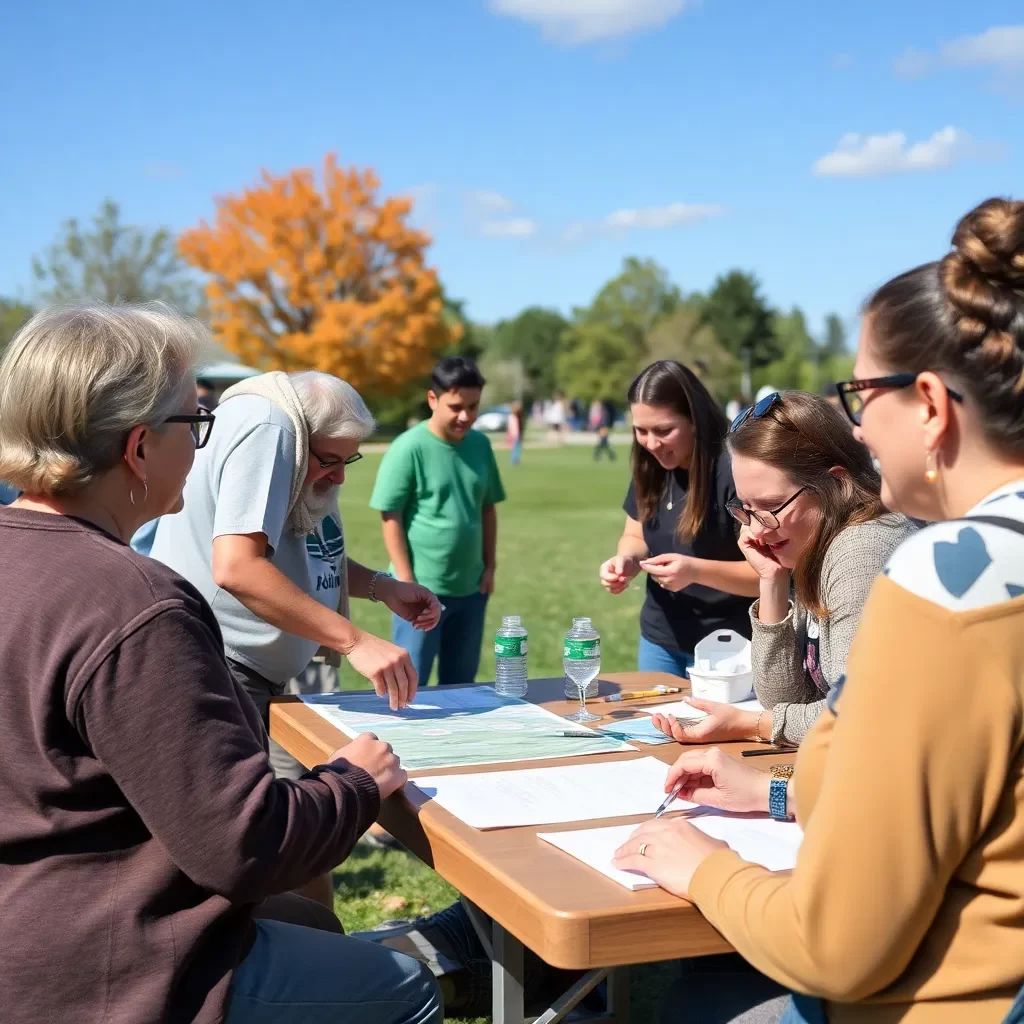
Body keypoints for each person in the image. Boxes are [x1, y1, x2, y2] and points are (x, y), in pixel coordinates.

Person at [614, 197, 1024, 1023]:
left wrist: (698, 865)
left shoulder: (946, 584)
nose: (859, 429)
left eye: (863, 394)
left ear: (933, 406)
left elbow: (836, 944)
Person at [0, 302, 442, 1024]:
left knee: (315, 926)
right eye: (195, 424)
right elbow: (243, 845)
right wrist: (355, 782)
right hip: (97, 964)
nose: (206, 446)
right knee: (408, 988)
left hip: (43, 915)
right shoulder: (136, 605)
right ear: (140, 448)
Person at [150, 368, 441, 782]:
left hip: (256, 675)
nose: (339, 476)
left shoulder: (288, 439)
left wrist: (383, 587)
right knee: (242, 826)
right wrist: (355, 641)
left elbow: (306, 557)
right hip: (222, 667)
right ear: (302, 438)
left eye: (348, 461)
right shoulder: (269, 429)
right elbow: (238, 566)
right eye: (330, 461)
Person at [652, 391, 915, 747]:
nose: (756, 529)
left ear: (835, 483)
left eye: (771, 505)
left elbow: (857, 715)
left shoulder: (861, 549)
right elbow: (784, 699)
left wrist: (751, 724)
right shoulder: (816, 541)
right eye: (745, 507)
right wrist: (771, 581)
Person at [599, 360, 759, 676]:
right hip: (661, 639)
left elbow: (768, 575)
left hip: (730, 648)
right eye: (640, 431)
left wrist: (695, 571)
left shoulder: (736, 470)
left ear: (695, 420)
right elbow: (635, 535)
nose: (651, 444)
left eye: (664, 430)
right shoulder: (650, 465)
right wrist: (626, 562)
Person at [371, 356, 505, 687]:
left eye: (474, 407)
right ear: (433, 399)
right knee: (408, 685)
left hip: (471, 589)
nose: (466, 416)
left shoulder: (481, 445)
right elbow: (391, 515)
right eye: (457, 406)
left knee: (461, 685)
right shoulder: (408, 448)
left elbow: (487, 508)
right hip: (420, 589)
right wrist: (405, 580)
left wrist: (489, 567)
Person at [593, 397, 617, 462]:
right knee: (604, 443)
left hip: (603, 428)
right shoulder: (602, 411)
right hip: (602, 428)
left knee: (603, 442)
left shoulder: (602, 411)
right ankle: (611, 455)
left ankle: (597, 454)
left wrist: (598, 428)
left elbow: (602, 421)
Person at [507, 399, 523, 466]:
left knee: (517, 447)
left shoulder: (517, 417)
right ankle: (513, 460)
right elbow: (511, 427)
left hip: (517, 434)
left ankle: (516, 459)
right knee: (515, 447)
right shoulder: (512, 417)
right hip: (514, 434)